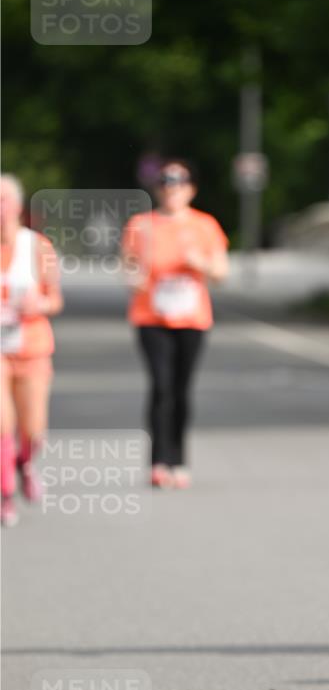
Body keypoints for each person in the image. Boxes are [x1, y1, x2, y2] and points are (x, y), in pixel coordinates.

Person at [121, 159, 229, 488]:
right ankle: (158, 462)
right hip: (151, 317)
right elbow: (127, 267)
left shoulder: (205, 225)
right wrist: (134, 278)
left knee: (181, 390)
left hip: (192, 319)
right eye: (167, 182)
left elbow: (221, 273)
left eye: (180, 182)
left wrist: (201, 264)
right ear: (158, 188)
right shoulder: (140, 224)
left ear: (191, 188)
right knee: (160, 386)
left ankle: (179, 460)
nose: (173, 188)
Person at [1, 174, 63, 527]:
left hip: (32, 347)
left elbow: (56, 299)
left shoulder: (38, 247)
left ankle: (25, 462)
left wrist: (37, 303)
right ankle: (5, 495)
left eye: (3, 199)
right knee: (1, 424)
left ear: (18, 206)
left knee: (33, 429)